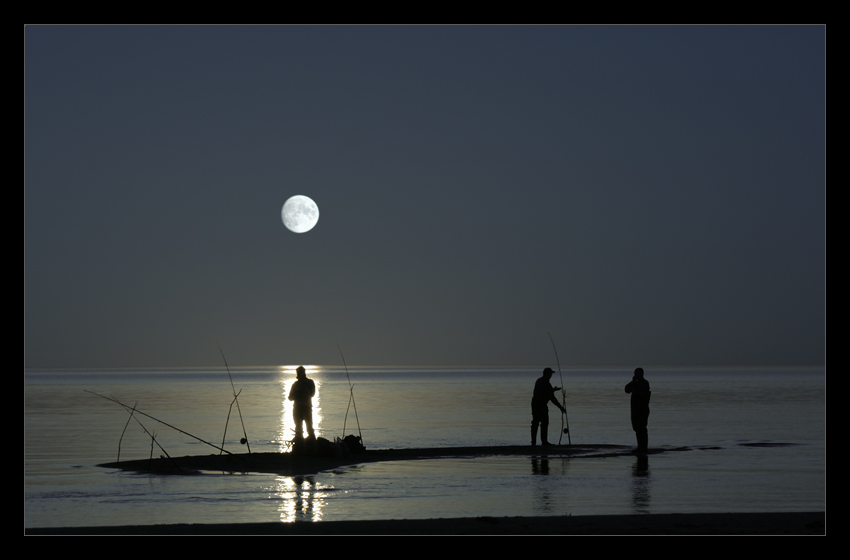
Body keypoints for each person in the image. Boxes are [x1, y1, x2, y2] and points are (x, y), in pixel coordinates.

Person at [531, 367, 566, 446]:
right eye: (551, 374)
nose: (551, 375)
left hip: (535, 404)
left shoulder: (539, 380)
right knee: (544, 422)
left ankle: (534, 443)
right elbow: (552, 398)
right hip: (541, 404)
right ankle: (544, 442)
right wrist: (560, 407)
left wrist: (552, 390)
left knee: (535, 422)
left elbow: (544, 392)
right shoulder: (546, 383)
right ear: (548, 374)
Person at [625, 367, 651, 452]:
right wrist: (633, 382)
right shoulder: (634, 384)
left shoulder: (645, 383)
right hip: (635, 410)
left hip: (642, 409)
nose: (637, 375)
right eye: (635, 374)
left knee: (642, 428)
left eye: (638, 374)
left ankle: (643, 447)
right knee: (636, 428)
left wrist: (636, 384)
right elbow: (627, 390)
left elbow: (642, 392)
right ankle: (640, 446)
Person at [288, 366, 316, 441]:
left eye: (299, 373)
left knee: (309, 428)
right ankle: (299, 445)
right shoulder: (295, 384)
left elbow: (312, 394)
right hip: (298, 409)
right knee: (298, 429)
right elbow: (290, 397)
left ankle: (312, 445)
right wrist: (297, 393)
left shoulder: (309, 383)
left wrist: (302, 391)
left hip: (306, 408)